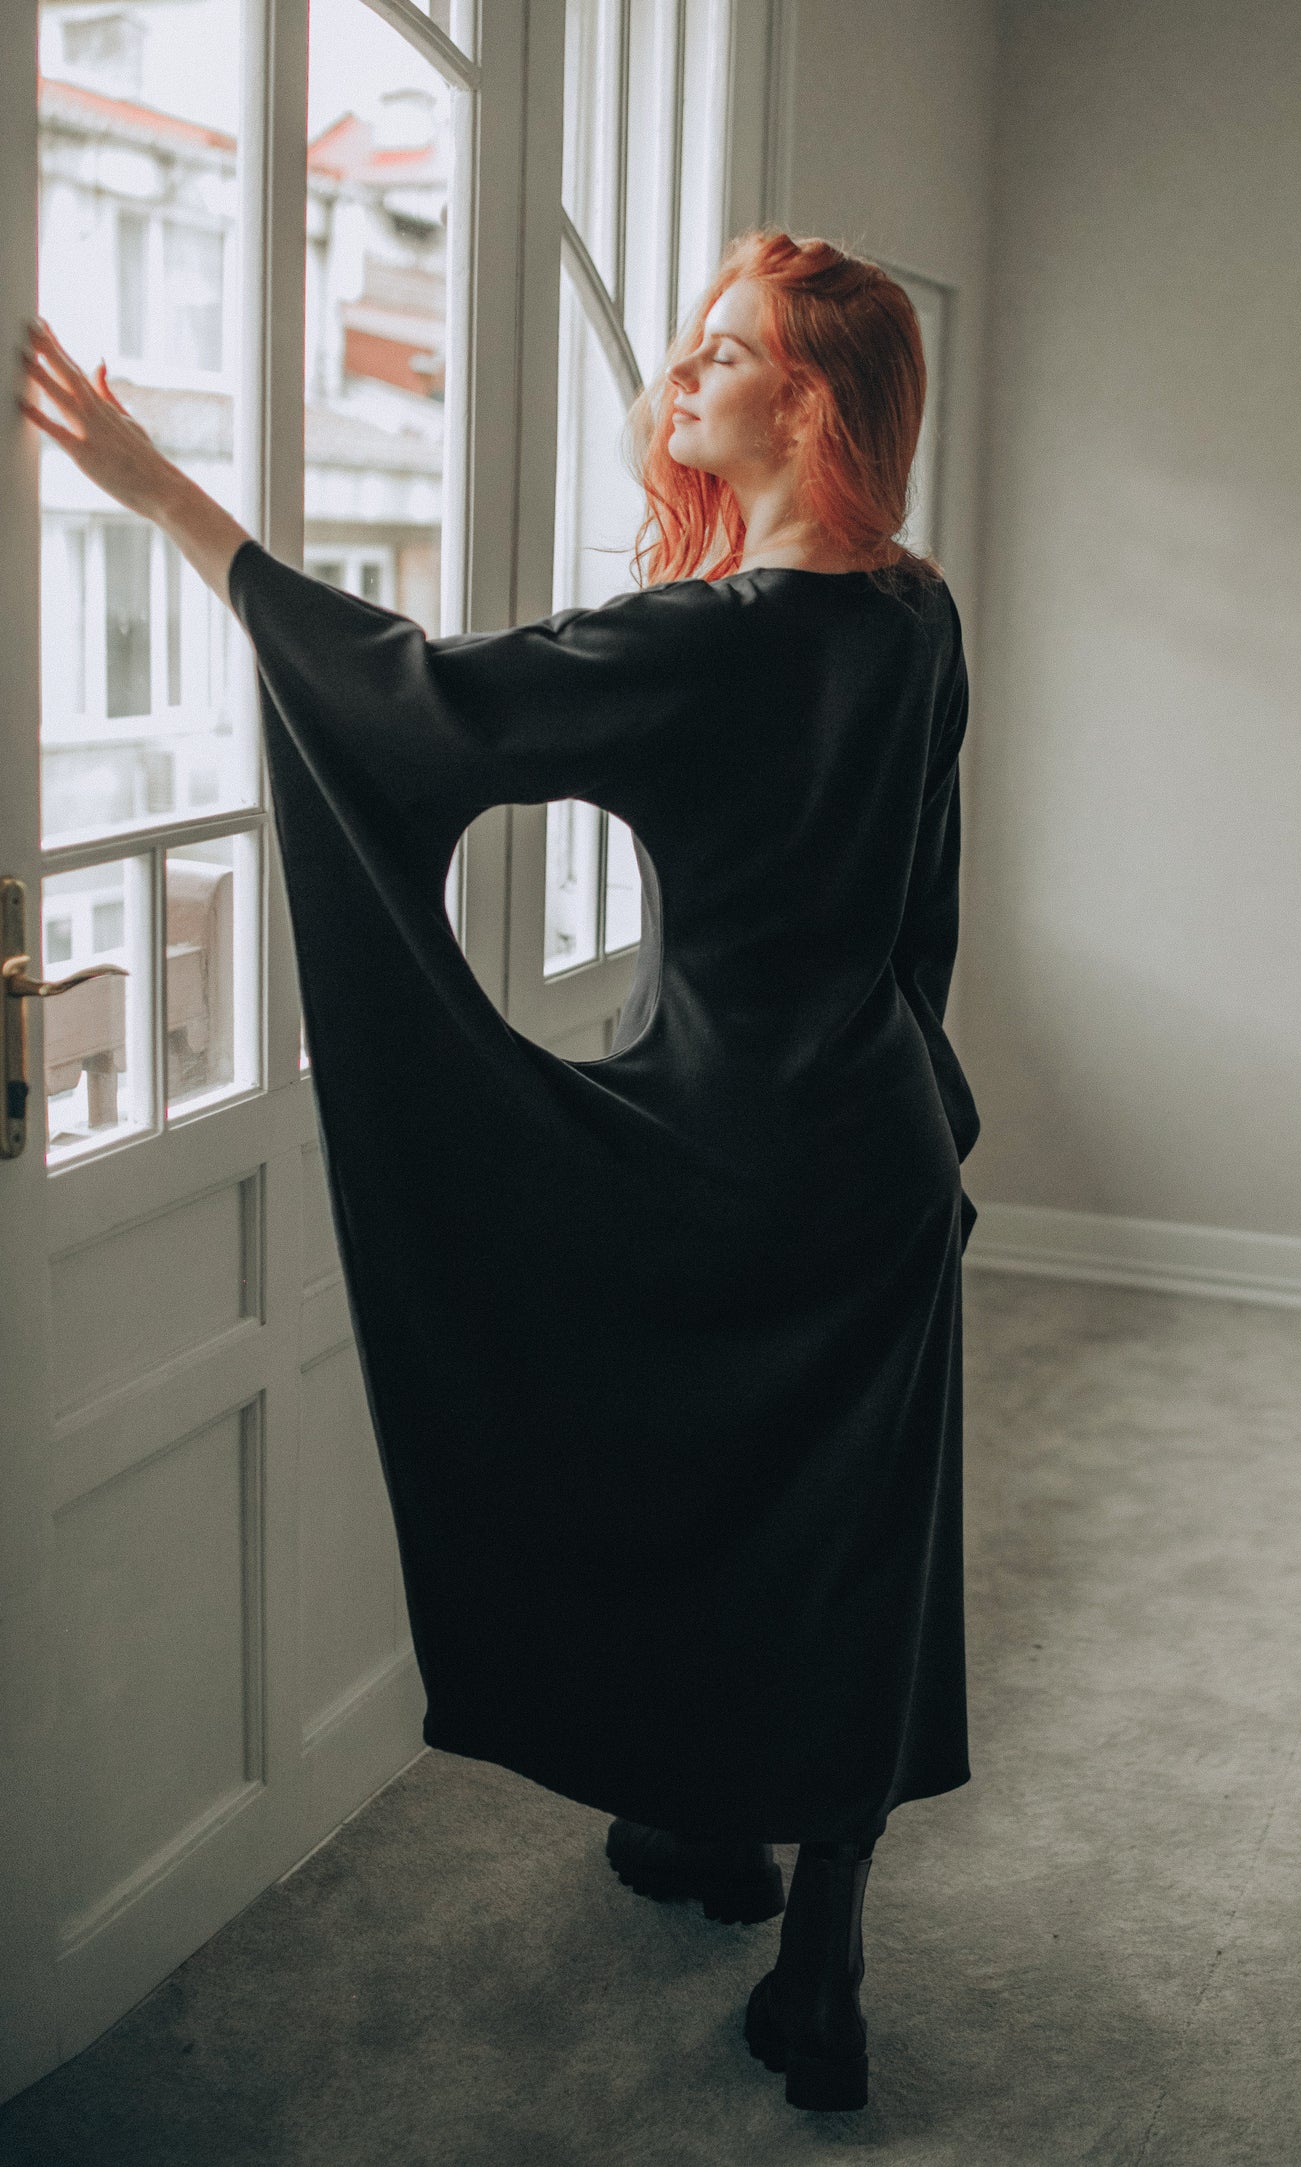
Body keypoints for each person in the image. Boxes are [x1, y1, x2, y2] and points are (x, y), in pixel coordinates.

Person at [18, 226, 981, 2116]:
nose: (679, 379)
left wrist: (161, 496)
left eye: (720, 353)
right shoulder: (919, 613)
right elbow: (918, 916)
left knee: (681, 1481)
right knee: (857, 1546)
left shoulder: (704, 643)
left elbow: (407, 701)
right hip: (869, 1145)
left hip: (718, 1151)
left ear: (805, 402)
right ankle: (809, 1949)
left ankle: (710, 1825)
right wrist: (928, 1112)